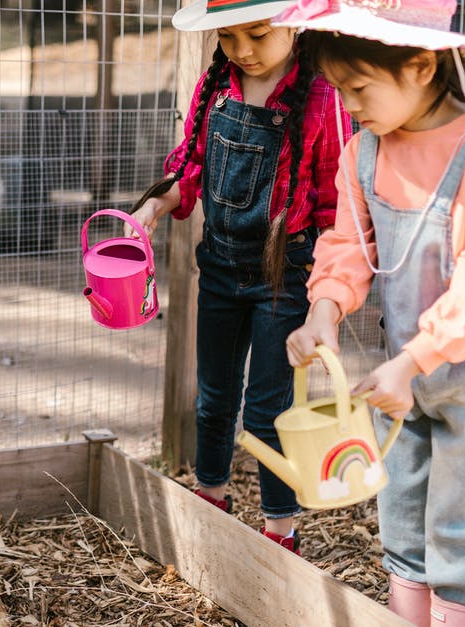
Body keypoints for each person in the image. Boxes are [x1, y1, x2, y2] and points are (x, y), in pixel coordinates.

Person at [278, 0, 465, 623]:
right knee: (402, 521)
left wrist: (414, 361)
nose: (347, 103)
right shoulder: (364, 153)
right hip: (405, 378)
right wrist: (323, 310)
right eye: (338, 88)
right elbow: (348, 244)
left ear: (423, 66)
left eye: (358, 87)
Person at [125, 0, 351, 554]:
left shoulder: (323, 98)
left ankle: (279, 531)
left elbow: (333, 207)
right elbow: (191, 169)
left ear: (293, 24)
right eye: (228, 37)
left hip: (287, 274)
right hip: (221, 266)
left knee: (269, 408)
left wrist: (327, 297)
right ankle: (211, 496)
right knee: (214, 395)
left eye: (256, 33)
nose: (243, 50)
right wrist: (153, 209)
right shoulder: (216, 84)